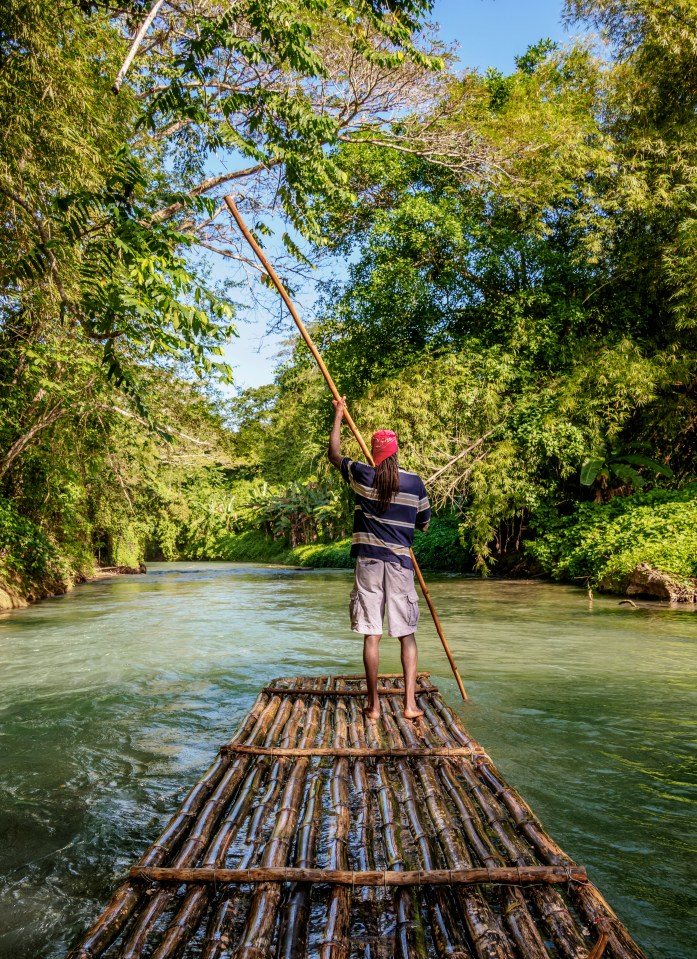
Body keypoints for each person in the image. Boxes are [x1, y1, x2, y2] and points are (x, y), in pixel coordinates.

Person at [328, 396, 431, 720]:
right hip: (400, 564)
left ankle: (373, 706)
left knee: (372, 634)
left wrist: (339, 415)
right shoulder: (414, 482)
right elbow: (424, 525)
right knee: (406, 634)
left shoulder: (361, 475)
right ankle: (410, 705)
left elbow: (334, 455)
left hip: (369, 563)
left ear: (374, 453)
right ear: (396, 452)